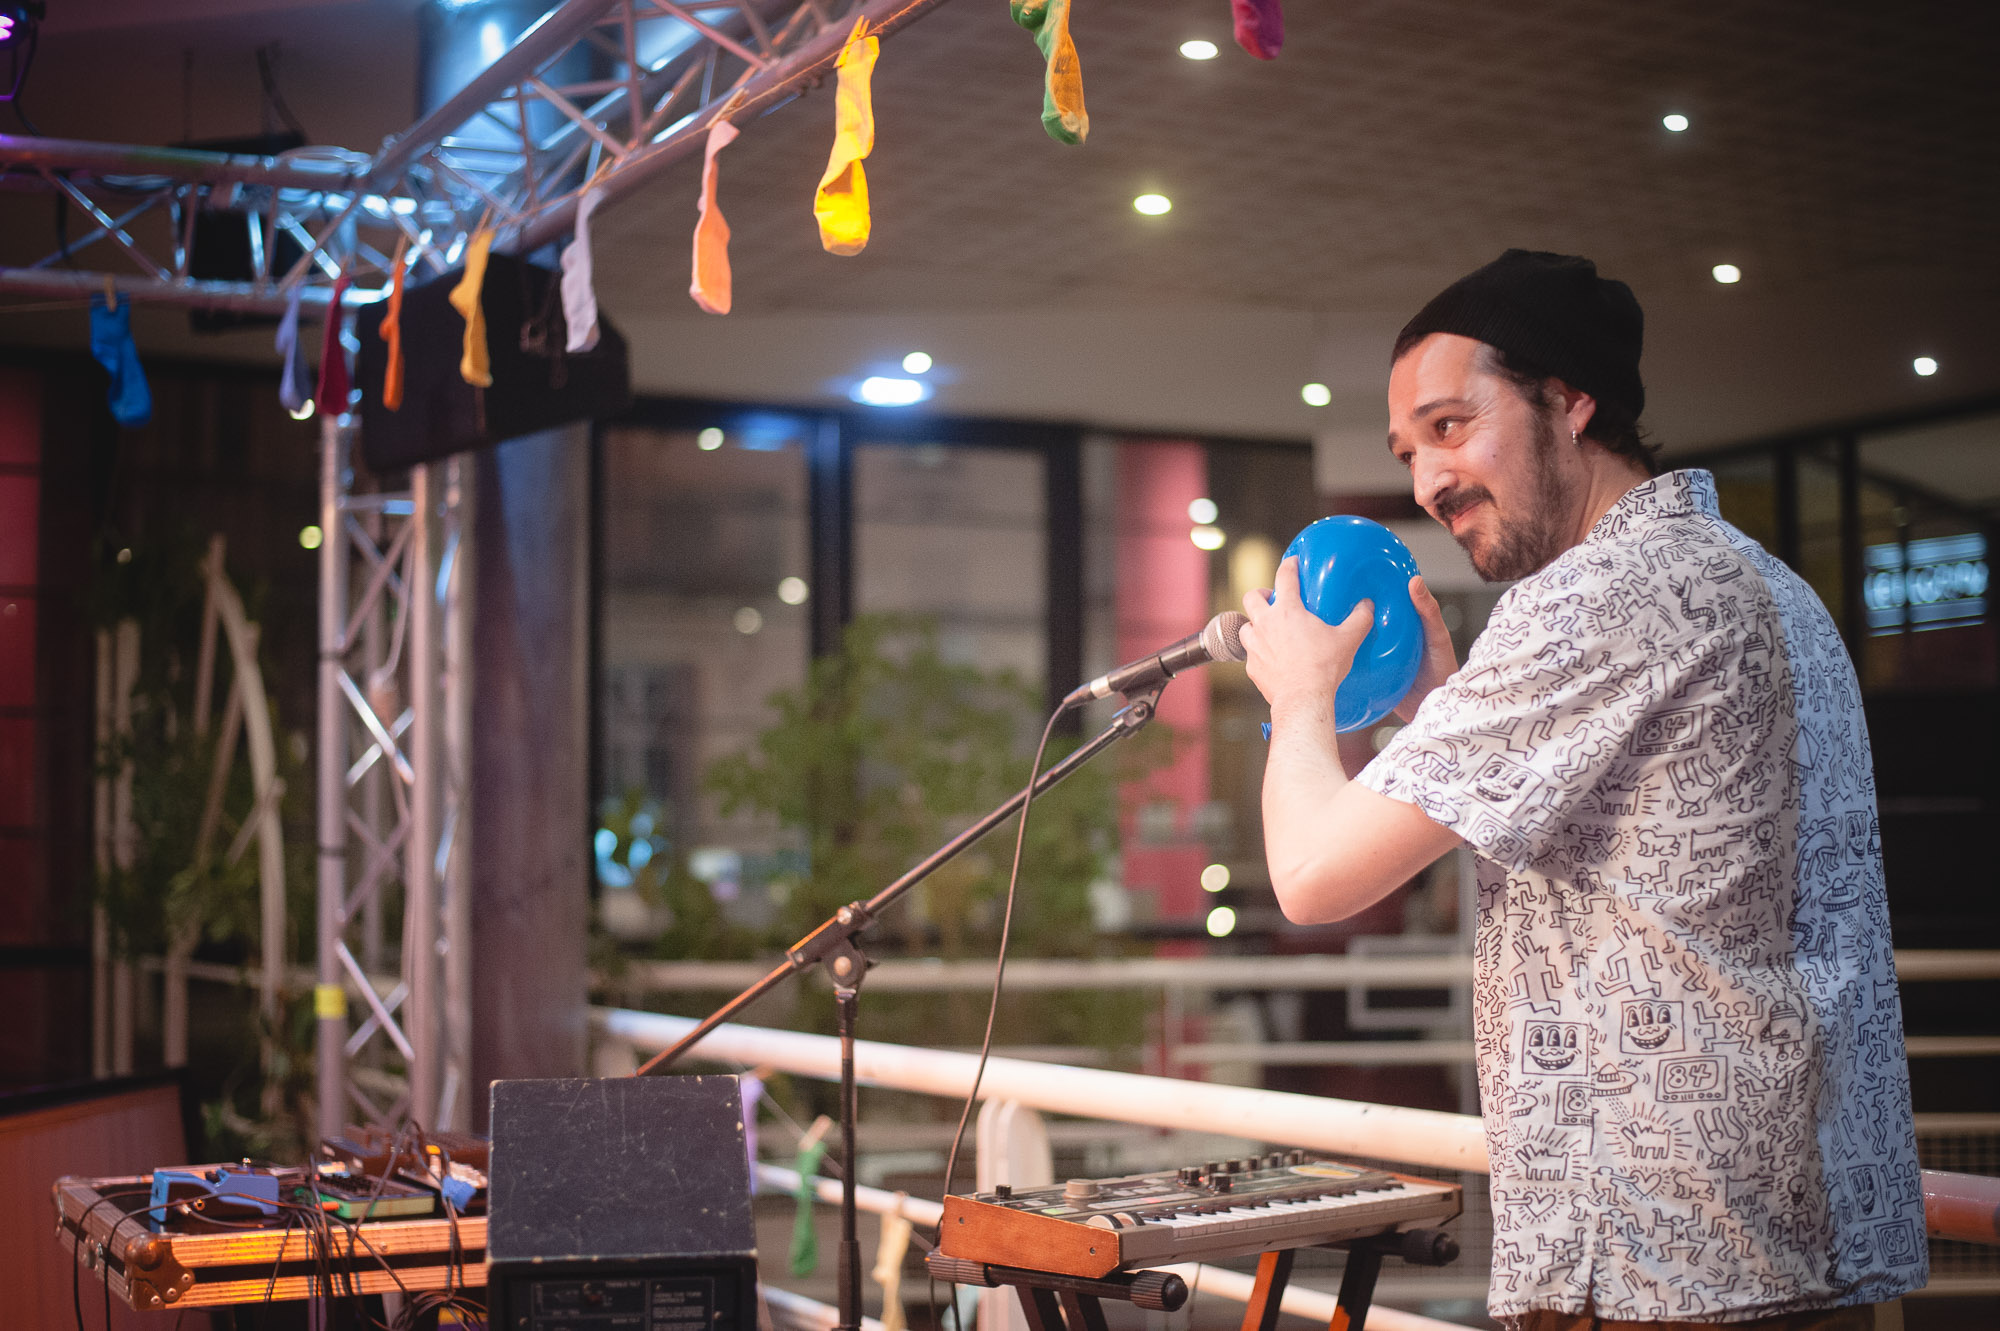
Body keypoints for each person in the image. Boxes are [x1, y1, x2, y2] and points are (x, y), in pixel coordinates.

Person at [1238, 250, 1926, 1330]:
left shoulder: (1600, 593)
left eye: (1451, 426)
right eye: (1409, 451)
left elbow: (1312, 877)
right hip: (1780, 1240)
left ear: (1568, 401)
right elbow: (1639, 855)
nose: (1425, 482)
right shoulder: (1762, 580)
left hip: (1655, 1259)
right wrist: (1444, 715)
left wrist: (1298, 694)